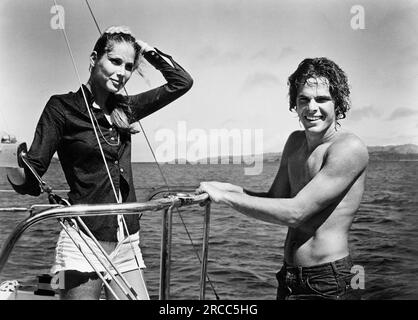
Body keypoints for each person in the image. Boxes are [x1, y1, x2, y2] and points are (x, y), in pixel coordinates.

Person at [6, 26, 193, 299]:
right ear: (94, 59)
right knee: (62, 290)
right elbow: (33, 180)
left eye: (129, 66)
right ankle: (26, 288)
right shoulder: (61, 108)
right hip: (82, 240)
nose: (122, 72)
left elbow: (182, 81)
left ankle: (35, 287)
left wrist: (142, 46)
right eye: (115, 61)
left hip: (127, 241)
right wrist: (15, 166)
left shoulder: (126, 109)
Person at [197, 57, 368, 300]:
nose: (311, 107)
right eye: (304, 99)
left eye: (322, 99)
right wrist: (229, 188)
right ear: (294, 104)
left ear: (337, 103)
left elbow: (295, 212)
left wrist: (225, 197)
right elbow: (275, 199)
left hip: (328, 281)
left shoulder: (348, 148)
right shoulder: (295, 142)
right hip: (288, 277)